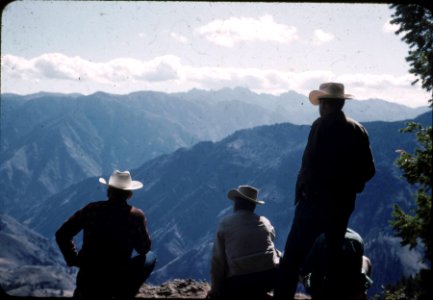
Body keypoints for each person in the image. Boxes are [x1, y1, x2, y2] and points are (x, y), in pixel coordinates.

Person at [275, 82, 375, 299]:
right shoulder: (358, 129)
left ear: (325, 104)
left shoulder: (321, 126)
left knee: (293, 256)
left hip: (313, 204)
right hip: (342, 206)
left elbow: (309, 165)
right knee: (333, 256)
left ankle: (283, 297)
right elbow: (369, 170)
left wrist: (305, 192)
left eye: (321, 102)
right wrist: (349, 187)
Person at [55, 170, 156, 298]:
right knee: (150, 256)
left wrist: (74, 259)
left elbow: (62, 234)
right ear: (129, 194)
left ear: (109, 191)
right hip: (117, 278)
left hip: (87, 277)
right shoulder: (135, 216)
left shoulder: (92, 209)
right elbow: (144, 249)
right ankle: (127, 292)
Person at [208, 185, 281, 299]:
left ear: (236, 204)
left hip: (239, 283)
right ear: (253, 206)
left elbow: (218, 262)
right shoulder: (265, 222)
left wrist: (215, 291)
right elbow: (270, 244)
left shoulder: (225, 223)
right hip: (268, 279)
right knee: (277, 253)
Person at [301, 228, 373, 299]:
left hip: (330, 282)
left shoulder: (318, 241)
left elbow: (306, 272)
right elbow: (365, 261)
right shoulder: (355, 239)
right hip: (353, 244)